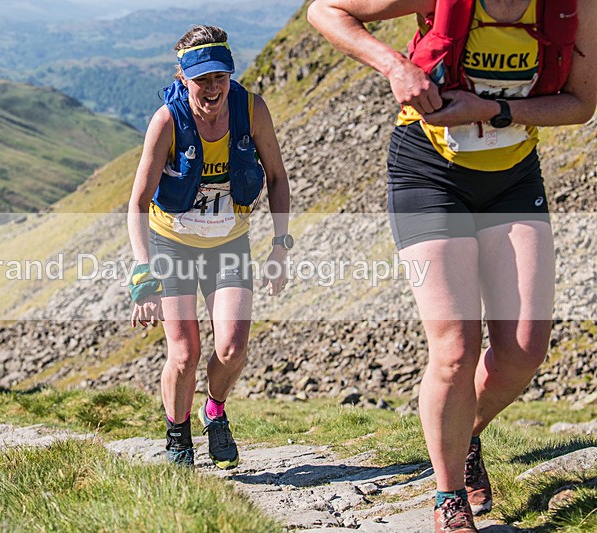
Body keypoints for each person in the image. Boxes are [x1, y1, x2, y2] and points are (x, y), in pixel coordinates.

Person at [308, 1, 596, 531]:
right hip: (428, 174)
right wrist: (396, 65)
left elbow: (580, 104)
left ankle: (463, 433)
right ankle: (449, 496)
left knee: (525, 348)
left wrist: (495, 112)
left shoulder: (575, 4)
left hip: (513, 177)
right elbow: (326, 10)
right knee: (456, 349)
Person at [128, 25, 291, 468]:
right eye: (202, 79)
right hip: (173, 244)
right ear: (184, 79)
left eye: (221, 76)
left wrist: (280, 247)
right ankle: (178, 436)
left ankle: (214, 410)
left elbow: (277, 178)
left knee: (232, 348)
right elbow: (138, 202)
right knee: (184, 353)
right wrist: (143, 274)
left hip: (230, 244)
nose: (213, 88)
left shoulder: (251, 109)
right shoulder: (167, 121)